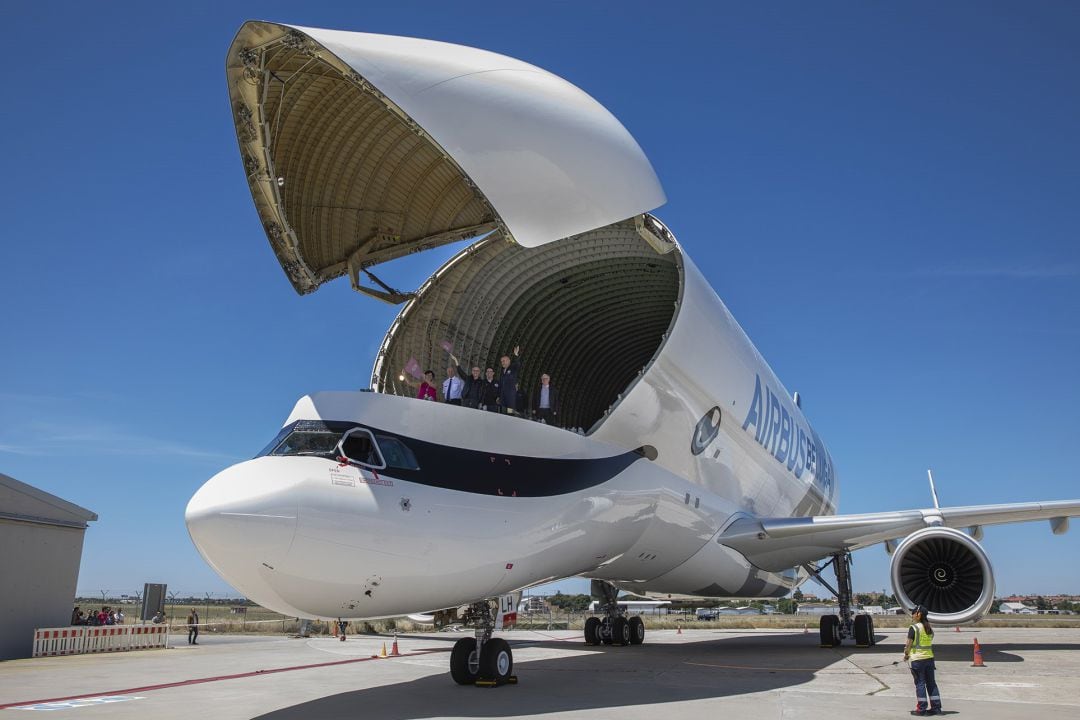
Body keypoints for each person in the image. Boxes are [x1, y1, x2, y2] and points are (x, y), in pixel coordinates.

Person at [903, 605, 942, 716]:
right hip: (929, 659)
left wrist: (906, 655)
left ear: (918, 614)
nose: (912, 615)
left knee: (920, 684)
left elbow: (908, 644)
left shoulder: (914, 628)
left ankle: (921, 709)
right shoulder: (929, 628)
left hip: (918, 660)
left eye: (914, 613)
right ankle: (936, 708)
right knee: (931, 684)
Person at [497, 346, 522, 414]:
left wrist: (516, 354)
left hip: (510, 396)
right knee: (503, 411)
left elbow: (518, 364)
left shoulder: (513, 368)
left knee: (510, 411)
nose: (502, 362)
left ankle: (514, 415)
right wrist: (499, 396)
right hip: (502, 397)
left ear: (509, 361)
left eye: (504, 361)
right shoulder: (502, 372)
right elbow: (501, 384)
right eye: (501, 361)